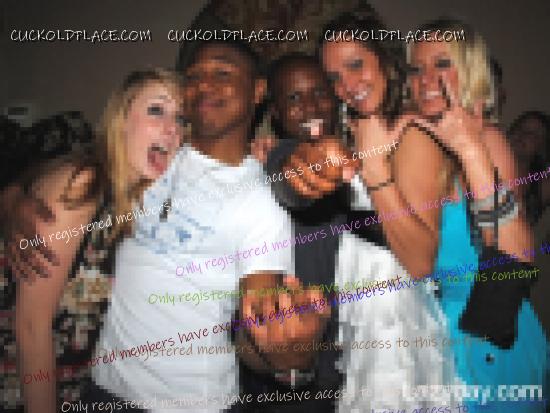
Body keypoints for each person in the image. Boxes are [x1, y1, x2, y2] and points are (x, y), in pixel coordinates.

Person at [87, 39, 329, 413]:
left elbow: (253, 334)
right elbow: (90, 161)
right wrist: (15, 194)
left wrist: (286, 358)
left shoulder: (261, 203)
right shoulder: (158, 155)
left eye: (222, 73)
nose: (203, 84)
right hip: (103, 390)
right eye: (194, 76)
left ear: (258, 91)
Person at [275, 9, 460, 411]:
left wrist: (375, 171)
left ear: (384, 58)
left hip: (392, 318)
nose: (347, 86)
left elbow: (420, 261)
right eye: (335, 77)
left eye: (356, 65)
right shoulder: (360, 129)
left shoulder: (412, 132)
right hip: (359, 310)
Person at [1, 68, 185, 413]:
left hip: (80, 386)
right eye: (156, 110)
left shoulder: (142, 198)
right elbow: (31, 327)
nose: (172, 129)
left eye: (180, 118)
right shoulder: (82, 185)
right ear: (121, 121)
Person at [408, 19, 547, 412]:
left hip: (486, 333)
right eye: (416, 68)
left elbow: (515, 259)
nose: (426, 78)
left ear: (470, 70)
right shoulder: (415, 142)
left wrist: (470, 151)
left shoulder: (488, 140)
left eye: (442, 63)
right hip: (430, 326)